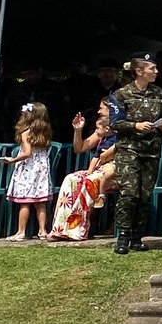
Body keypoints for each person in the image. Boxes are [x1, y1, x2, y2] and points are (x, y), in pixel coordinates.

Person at [109, 52, 162, 255]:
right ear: (139, 71)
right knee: (129, 194)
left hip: (151, 150)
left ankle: (137, 237)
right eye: (152, 68)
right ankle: (123, 236)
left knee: (145, 196)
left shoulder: (158, 92)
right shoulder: (121, 94)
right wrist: (135, 125)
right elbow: (115, 122)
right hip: (129, 149)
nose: (156, 71)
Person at [47, 102, 117, 242]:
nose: (99, 111)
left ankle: (78, 229)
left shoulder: (122, 130)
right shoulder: (102, 132)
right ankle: (60, 228)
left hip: (115, 172)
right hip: (98, 169)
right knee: (71, 178)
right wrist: (78, 130)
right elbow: (79, 148)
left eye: (102, 108)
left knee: (90, 181)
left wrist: (106, 156)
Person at [2, 103, 55, 240]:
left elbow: (27, 153)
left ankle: (21, 231)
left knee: (24, 201)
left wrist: (13, 160)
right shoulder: (45, 132)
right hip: (41, 169)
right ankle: (42, 230)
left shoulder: (26, 133)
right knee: (40, 202)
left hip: (28, 169)